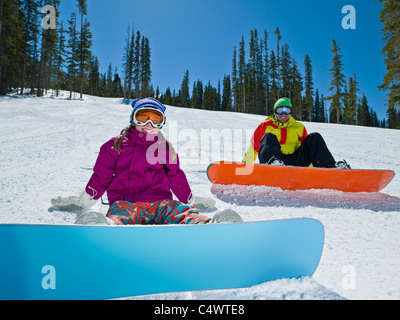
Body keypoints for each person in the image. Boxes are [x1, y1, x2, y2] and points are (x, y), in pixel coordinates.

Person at [69, 97, 242, 225]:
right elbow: (101, 177)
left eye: (156, 119)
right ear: (133, 119)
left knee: (178, 210)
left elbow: (176, 177)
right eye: (143, 118)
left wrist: (189, 199)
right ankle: (103, 226)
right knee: (119, 213)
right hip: (126, 203)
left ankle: (209, 225)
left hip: (160, 203)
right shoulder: (115, 145)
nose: (149, 124)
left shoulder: (165, 149)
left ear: (161, 123)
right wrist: (86, 201)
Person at [242, 97, 351, 169]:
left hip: (296, 162)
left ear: (290, 112)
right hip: (278, 161)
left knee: (315, 137)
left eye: (287, 110)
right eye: (280, 110)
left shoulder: (299, 127)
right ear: (275, 112)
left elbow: (309, 150)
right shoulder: (265, 126)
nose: (283, 114)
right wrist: (244, 165)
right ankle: (272, 165)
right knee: (268, 137)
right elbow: (254, 147)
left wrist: (311, 173)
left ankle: (328, 167)